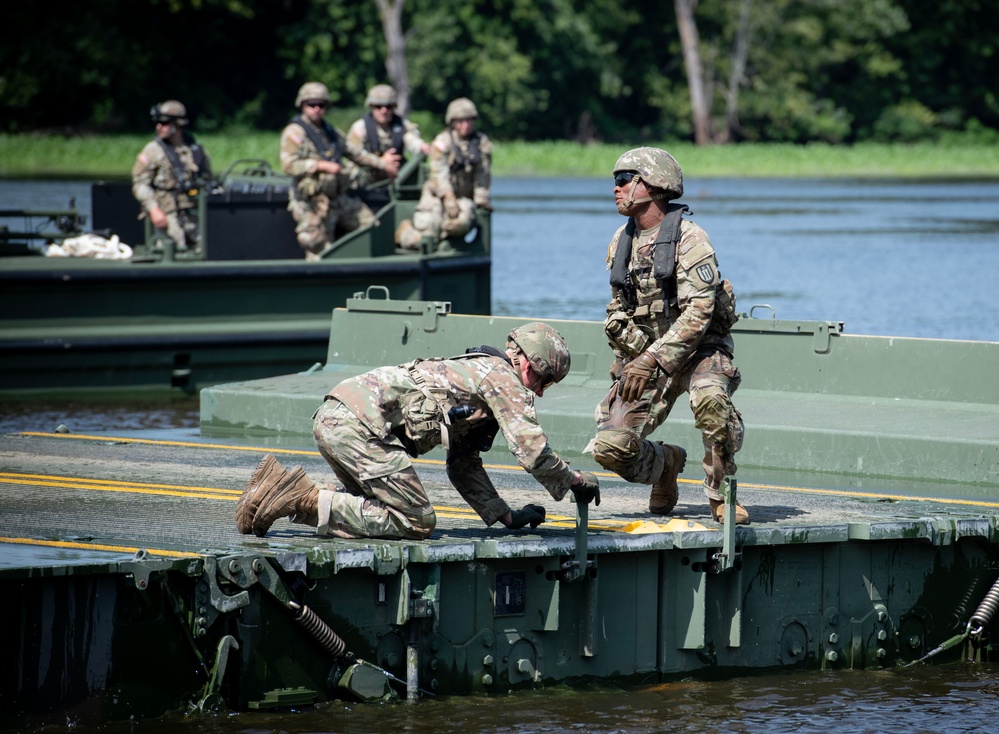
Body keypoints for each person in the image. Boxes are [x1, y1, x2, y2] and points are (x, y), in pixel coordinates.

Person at [235, 322, 600, 540]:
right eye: (544, 380)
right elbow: (532, 451)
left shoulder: (475, 374)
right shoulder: (502, 378)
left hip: (336, 414)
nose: (538, 392)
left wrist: (505, 517)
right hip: (362, 427)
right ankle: (301, 497)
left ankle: (264, 493)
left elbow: (463, 464)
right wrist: (573, 480)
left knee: (376, 507)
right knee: (416, 521)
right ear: (531, 363)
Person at [588, 147, 748, 524]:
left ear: (654, 186)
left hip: (699, 351)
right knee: (610, 447)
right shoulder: (620, 242)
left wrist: (651, 360)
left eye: (624, 180)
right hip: (648, 356)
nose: (616, 189)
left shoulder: (691, 240)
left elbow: (699, 312)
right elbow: (619, 305)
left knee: (712, 402)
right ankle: (666, 465)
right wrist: (629, 358)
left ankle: (721, 496)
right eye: (616, 181)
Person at [279, 81, 402, 260]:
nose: (316, 109)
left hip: (337, 197)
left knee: (372, 228)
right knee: (320, 248)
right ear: (302, 105)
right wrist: (320, 165)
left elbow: (355, 153)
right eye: (311, 104)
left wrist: (383, 164)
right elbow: (288, 165)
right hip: (312, 201)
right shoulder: (295, 132)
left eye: (321, 105)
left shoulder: (329, 132)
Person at [396, 97, 492, 251]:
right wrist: (448, 196)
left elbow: (483, 174)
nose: (465, 125)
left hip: (463, 197)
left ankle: (446, 243)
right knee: (428, 234)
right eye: (460, 121)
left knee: (461, 222)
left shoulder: (481, 143)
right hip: (435, 195)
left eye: (468, 121)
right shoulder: (443, 142)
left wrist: (481, 200)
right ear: (453, 122)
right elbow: (438, 171)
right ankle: (405, 234)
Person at [131, 100, 211, 252]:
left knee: (205, 250)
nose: (159, 127)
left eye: (164, 123)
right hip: (167, 214)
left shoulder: (196, 150)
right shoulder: (153, 150)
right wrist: (154, 209)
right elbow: (140, 184)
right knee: (171, 250)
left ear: (177, 125)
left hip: (194, 215)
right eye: (158, 123)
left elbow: (207, 180)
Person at [345, 84, 431, 210]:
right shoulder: (360, 128)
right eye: (378, 107)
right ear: (371, 107)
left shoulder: (402, 125)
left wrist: (421, 147)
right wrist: (381, 162)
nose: (384, 110)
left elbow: (411, 140)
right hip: (368, 179)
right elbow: (353, 157)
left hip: (396, 178)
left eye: (388, 106)